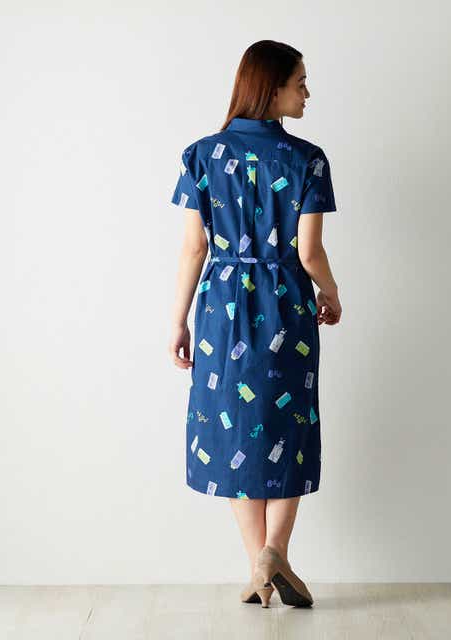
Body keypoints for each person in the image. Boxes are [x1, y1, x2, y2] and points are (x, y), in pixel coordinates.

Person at [168, 40, 342, 608]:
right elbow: (308, 251)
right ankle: (273, 554)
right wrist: (331, 291)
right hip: (286, 306)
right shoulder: (307, 160)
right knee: (288, 427)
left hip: (221, 308)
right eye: (300, 82)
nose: (308, 93)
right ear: (272, 88)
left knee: (236, 427)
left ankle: (258, 564)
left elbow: (194, 249)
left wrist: (178, 321)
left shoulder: (200, 156)